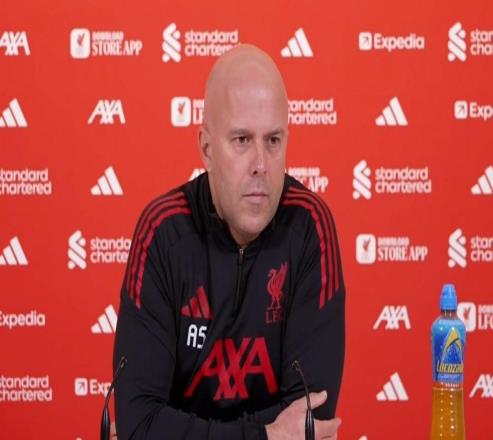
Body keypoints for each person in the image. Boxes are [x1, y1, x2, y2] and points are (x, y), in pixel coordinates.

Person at [113, 44, 345, 439]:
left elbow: (311, 422)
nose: (261, 164)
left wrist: (180, 427)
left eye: (273, 141)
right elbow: (139, 425)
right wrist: (268, 435)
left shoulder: (310, 228)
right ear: (206, 149)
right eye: (241, 140)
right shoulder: (163, 233)